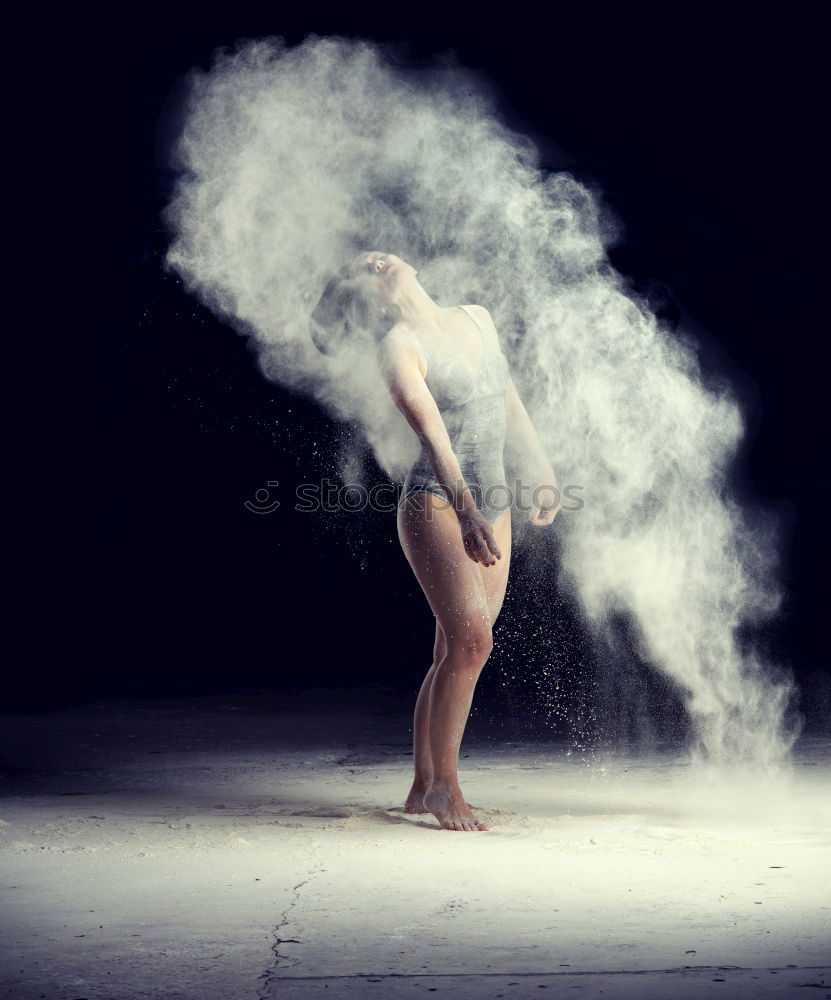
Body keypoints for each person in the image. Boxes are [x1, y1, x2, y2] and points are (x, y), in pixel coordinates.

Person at [313, 251, 560, 831]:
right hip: (440, 502)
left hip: (492, 502)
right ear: (367, 302)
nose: (374, 260)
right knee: (472, 643)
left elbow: (508, 398)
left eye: (373, 256)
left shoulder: (477, 317)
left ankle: (424, 784)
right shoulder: (397, 347)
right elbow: (433, 435)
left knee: (455, 647)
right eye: (361, 270)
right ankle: (447, 788)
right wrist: (469, 511)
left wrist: (543, 465)